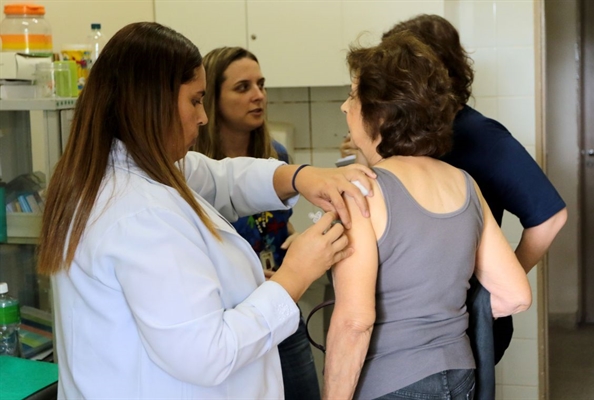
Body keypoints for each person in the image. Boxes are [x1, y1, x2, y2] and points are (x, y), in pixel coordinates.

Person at [35, 22, 377, 399]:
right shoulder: (137, 215)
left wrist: (299, 177)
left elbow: (220, 178)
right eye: (195, 100)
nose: (203, 117)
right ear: (154, 101)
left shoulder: (129, 169)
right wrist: (294, 275)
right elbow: (208, 353)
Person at [341, 14, 568, 365]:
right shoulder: (412, 137)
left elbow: (550, 216)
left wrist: (492, 290)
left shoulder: (481, 135)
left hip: (459, 317)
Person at [323, 31, 532, 400]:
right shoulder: (464, 183)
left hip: (391, 383)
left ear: (382, 113)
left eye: (353, 95)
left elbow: (354, 323)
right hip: (460, 376)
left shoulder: (364, 195)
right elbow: (515, 295)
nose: (344, 107)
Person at [193, 46, 321, 400]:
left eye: (261, 85)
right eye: (243, 87)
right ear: (212, 99)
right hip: (233, 319)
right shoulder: (197, 168)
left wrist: (301, 246)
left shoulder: (277, 157)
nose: (258, 96)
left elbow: (278, 228)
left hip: (282, 305)